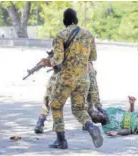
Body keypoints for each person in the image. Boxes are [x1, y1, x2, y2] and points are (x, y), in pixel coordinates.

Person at [41, 8, 103, 149]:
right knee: (79, 109)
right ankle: (91, 127)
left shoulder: (60, 35)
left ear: (65, 21)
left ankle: (61, 140)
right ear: (76, 20)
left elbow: (57, 59)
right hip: (84, 79)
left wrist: (47, 62)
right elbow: (92, 58)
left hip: (66, 79)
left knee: (55, 106)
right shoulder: (88, 34)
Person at [34, 62, 102, 133]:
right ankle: (86, 123)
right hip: (79, 83)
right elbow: (93, 86)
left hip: (61, 79)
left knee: (49, 100)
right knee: (88, 98)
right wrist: (98, 105)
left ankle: (41, 122)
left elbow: (54, 60)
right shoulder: (86, 60)